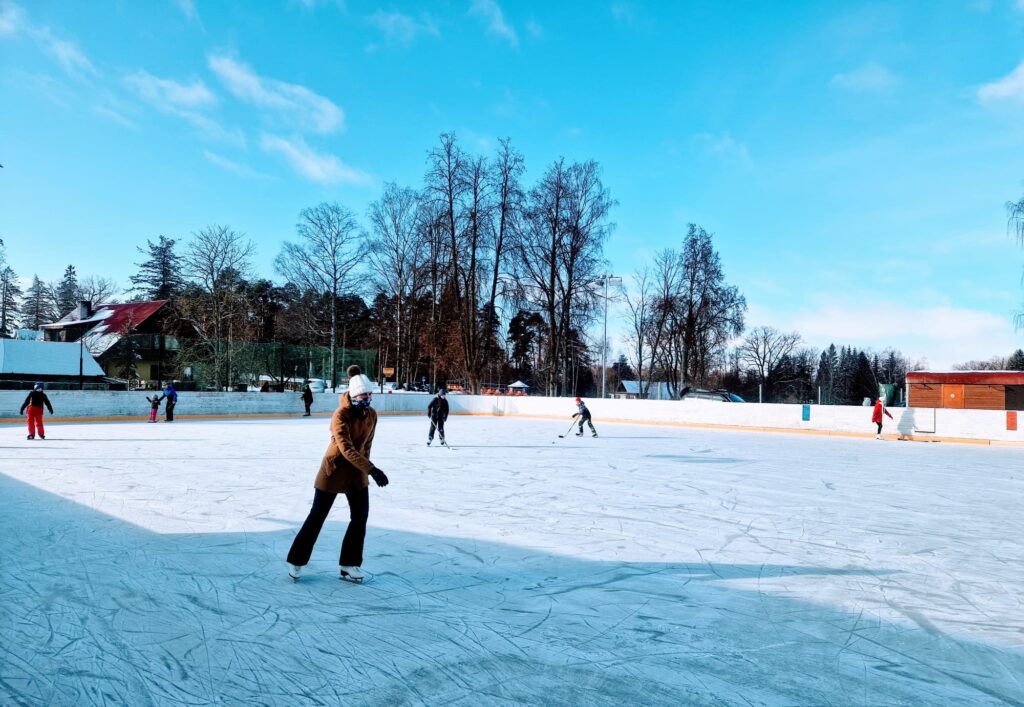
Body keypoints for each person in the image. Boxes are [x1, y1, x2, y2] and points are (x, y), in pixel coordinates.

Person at [287, 365, 390, 582]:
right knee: (317, 516)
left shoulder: (371, 414)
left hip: (357, 472)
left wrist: (367, 469)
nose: (368, 398)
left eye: (370, 394)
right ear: (353, 395)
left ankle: (349, 565)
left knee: (360, 517)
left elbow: (366, 446)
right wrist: (372, 470)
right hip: (333, 470)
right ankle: (296, 560)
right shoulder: (340, 414)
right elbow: (346, 448)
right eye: (364, 394)